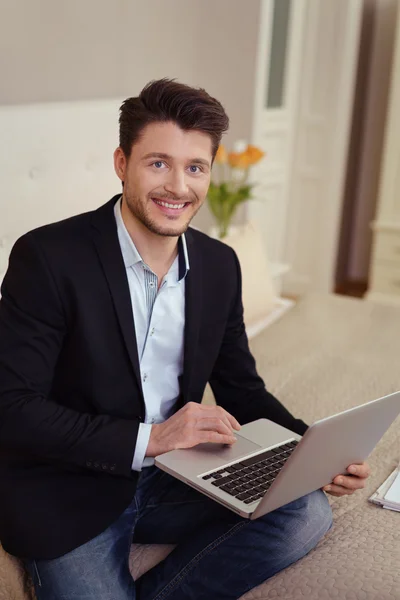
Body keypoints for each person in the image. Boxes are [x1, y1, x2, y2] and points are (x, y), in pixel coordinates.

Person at [0, 78, 370, 600]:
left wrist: (313, 450)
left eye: (195, 167)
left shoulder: (219, 265)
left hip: (176, 476)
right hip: (69, 482)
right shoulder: (48, 258)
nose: (178, 187)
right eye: (158, 163)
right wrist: (152, 438)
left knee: (304, 510)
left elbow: (243, 390)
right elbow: (13, 408)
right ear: (121, 163)